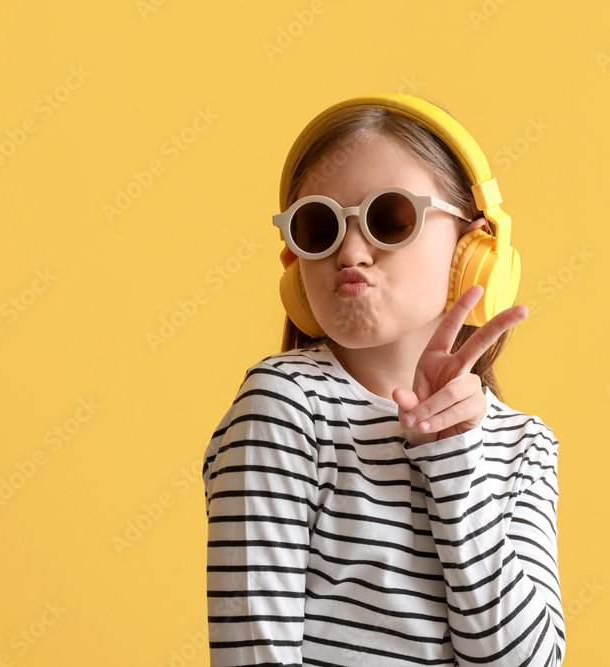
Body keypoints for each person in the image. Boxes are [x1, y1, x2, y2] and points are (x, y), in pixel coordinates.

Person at [202, 94, 565, 666]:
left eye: (389, 219)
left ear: (473, 250)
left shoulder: (525, 445)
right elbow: (254, 650)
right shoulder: (284, 407)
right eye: (318, 227)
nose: (350, 251)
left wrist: (453, 464)